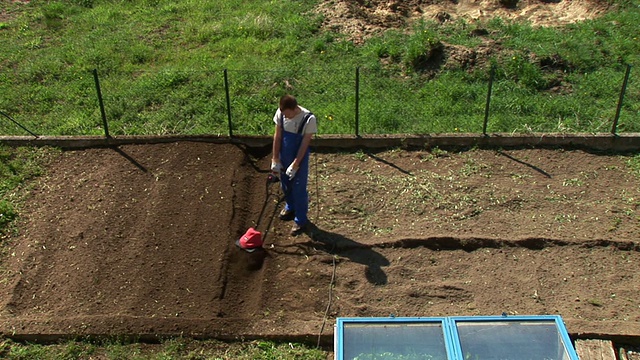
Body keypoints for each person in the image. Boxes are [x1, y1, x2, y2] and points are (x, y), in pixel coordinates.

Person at [270, 95, 317, 236]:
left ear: (294, 109)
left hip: (299, 156)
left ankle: (301, 219)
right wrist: (275, 159)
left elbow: (304, 143)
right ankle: (290, 206)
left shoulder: (308, 119)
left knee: (299, 187)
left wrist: (296, 164)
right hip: (285, 153)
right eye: (283, 114)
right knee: (285, 183)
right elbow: (277, 136)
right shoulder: (281, 113)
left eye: (287, 114)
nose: (285, 116)